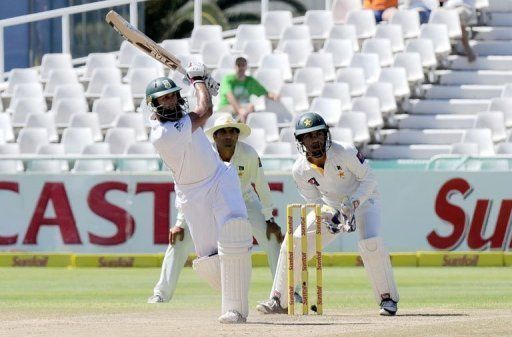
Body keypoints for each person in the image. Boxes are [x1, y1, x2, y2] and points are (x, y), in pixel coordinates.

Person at [256, 112, 400, 316]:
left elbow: (369, 180)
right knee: (293, 240)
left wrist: (353, 203)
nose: (314, 140)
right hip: (331, 206)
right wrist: (328, 215)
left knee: (370, 243)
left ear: (326, 135)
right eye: (308, 136)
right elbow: (314, 201)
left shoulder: (345, 151)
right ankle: (279, 299)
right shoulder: (300, 170)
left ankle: (387, 299)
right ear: (301, 141)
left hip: (365, 200)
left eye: (318, 134)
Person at [146, 64, 253, 324]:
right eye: (164, 98)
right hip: (191, 195)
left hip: (219, 178)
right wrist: (197, 80)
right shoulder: (162, 134)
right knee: (209, 261)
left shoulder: (182, 120)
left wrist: (204, 84)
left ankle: (235, 310)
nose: (170, 101)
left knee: (234, 232)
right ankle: (233, 299)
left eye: (172, 95)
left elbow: (201, 108)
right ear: (154, 105)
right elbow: (205, 110)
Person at [148, 115, 283, 304]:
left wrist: (269, 219)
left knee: (273, 239)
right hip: (207, 201)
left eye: (232, 132)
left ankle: (284, 293)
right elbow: (190, 188)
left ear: (237, 135)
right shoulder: (204, 155)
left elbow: (261, 184)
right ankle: (161, 294)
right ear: (215, 136)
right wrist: (180, 223)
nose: (228, 136)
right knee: (178, 241)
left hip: (243, 199)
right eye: (223, 132)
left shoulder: (249, 154)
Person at [218, 56, 279, 123]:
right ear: (235, 66)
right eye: (239, 65)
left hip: (244, 110)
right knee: (247, 109)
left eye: (243, 65)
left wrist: (274, 96)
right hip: (227, 107)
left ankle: (243, 128)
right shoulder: (228, 79)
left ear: (246, 67)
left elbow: (265, 93)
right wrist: (240, 109)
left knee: (250, 108)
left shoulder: (250, 81)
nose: (241, 68)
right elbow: (229, 96)